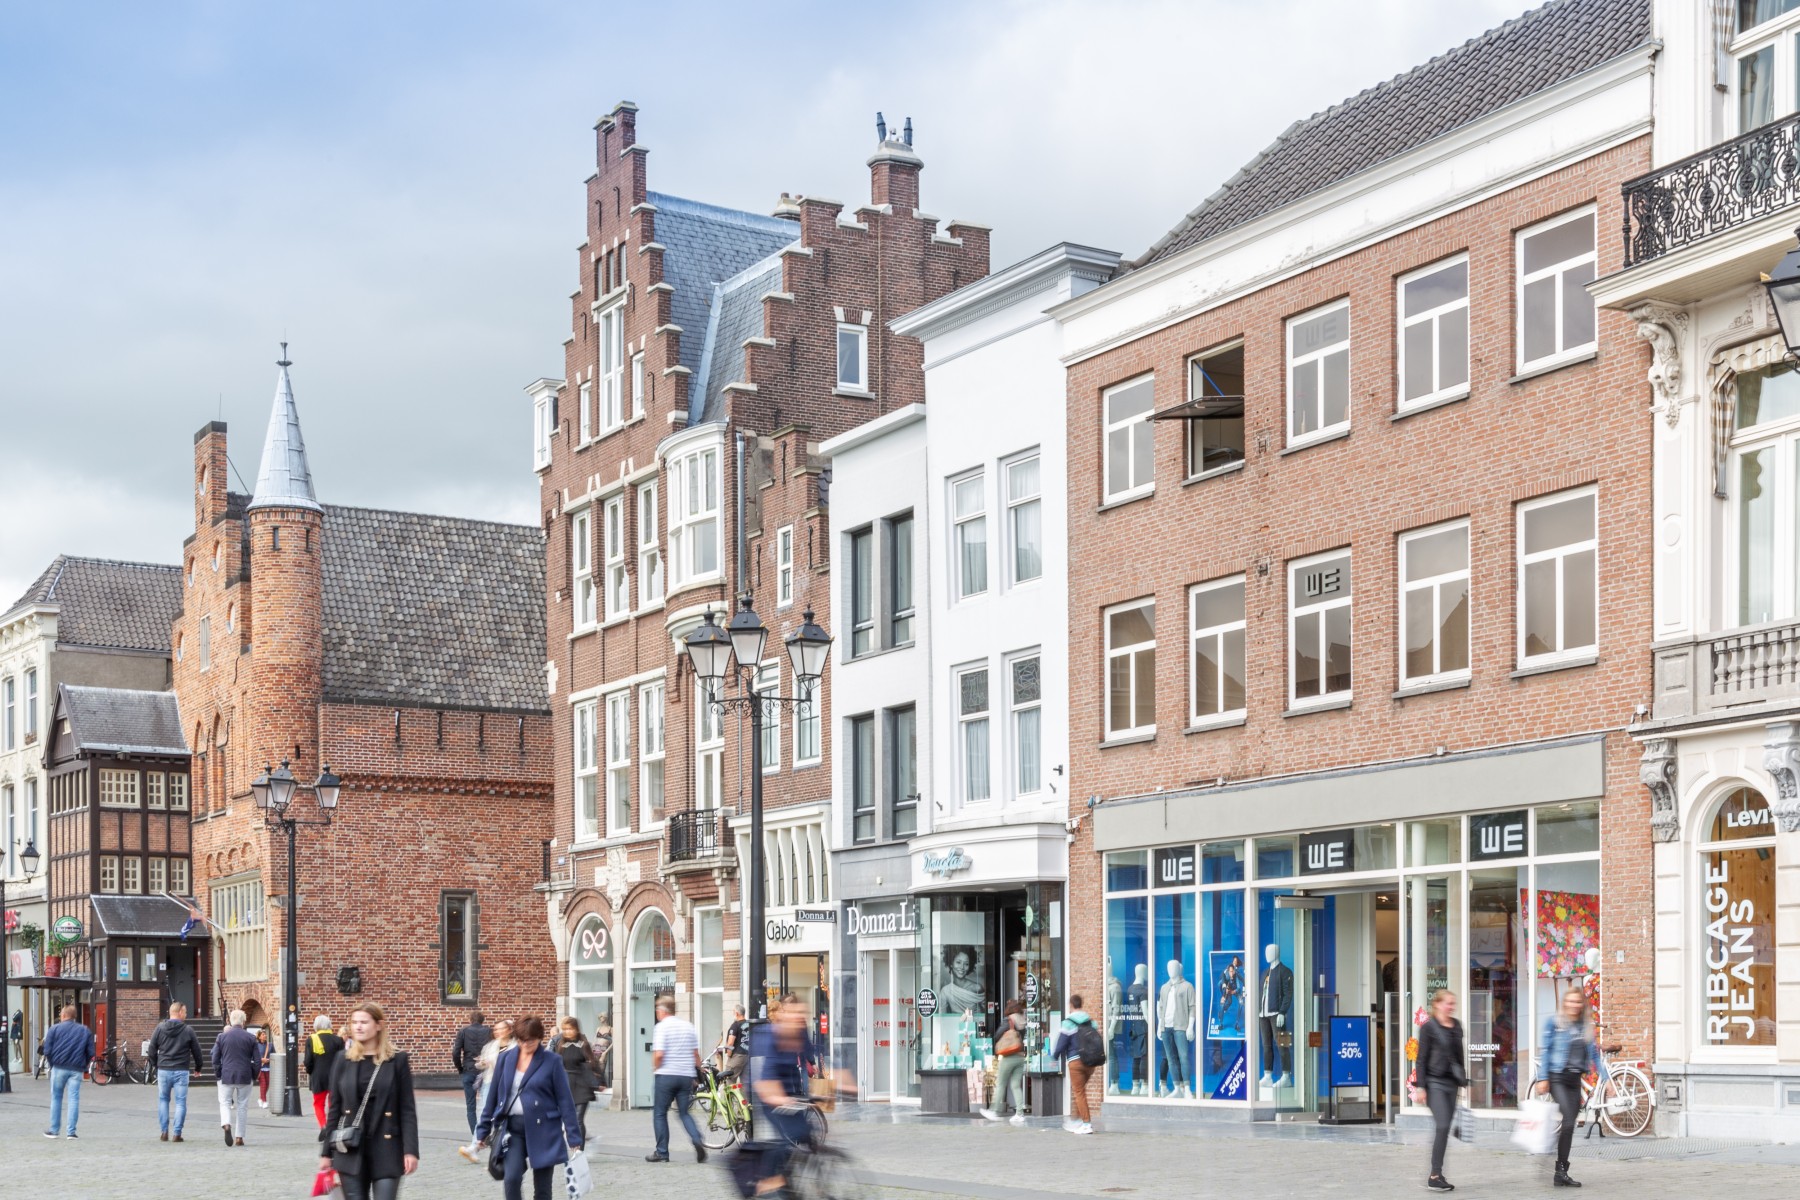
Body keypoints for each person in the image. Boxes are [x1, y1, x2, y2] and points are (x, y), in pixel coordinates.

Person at [473, 1015, 583, 1200]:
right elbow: (493, 1097)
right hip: (513, 1131)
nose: (525, 1045)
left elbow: (565, 1100)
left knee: (542, 1189)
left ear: (539, 1038)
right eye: (521, 1040)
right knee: (511, 1178)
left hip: (544, 1130)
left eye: (530, 1040)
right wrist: (482, 1130)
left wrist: (573, 1135)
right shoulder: (506, 1058)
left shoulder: (552, 1061)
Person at [319, 1001, 419, 1200]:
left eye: (364, 1022)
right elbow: (335, 1109)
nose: (358, 1027)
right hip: (350, 1148)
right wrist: (326, 1153)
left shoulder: (397, 1060)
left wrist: (410, 1151)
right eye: (354, 1022)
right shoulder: (342, 1059)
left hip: (387, 1148)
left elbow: (407, 1109)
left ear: (378, 1025)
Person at [1535, 985, 1609, 1189]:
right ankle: (1557, 1164)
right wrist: (1543, 1078)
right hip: (1557, 1077)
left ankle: (1561, 1173)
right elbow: (1546, 1050)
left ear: (1581, 1004)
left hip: (1575, 1079)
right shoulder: (1554, 1022)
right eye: (1570, 1001)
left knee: (1570, 1124)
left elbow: (1594, 1054)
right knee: (1568, 1121)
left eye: (1577, 1002)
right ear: (1564, 1003)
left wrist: (1607, 1079)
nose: (1574, 1005)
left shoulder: (1585, 1026)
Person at [748, 994, 815, 1196]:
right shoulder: (773, 1036)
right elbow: (766, 1080)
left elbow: (810, 1054)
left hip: (790, 1089)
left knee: (807, 1135)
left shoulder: (800, 1032)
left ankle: (786, 1182)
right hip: (769, 1092)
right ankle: (767, 1183)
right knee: (787, 1141)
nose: (798, 1018)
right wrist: (781, 1100)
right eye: (793, 1013)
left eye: (802, 1014)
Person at [1411, 988, 1467, 1193]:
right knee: (1443, 1125)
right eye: (1448, 1003)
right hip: (1434, 1083)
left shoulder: (1457, 1026)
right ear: (1437, 1004)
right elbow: (1421, 1059)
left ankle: (1438, 1174)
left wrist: (1463, 1081)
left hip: (1452, 1083)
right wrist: (1421, 1087)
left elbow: (1459, 1056)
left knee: (1443, 1129)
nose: (1451, 1007)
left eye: (1453, 1003)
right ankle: (1434, 1175)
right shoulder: (1428, 1027)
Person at [645, 996, 707, 1164]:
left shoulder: (661, 1027)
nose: (657, 1013)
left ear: (662, 1011)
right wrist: (700, 1070)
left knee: (660, 1113)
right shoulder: (688, 1026)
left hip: (666, 1075)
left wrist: (655, 1068)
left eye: (657, 1010)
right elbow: (695, 1054)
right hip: (685, 1076)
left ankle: (662, 1152)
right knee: (684, 1113)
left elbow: (659, 1054)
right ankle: (697, 1139)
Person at [148, 1001, 204, 1142]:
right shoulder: (188, 1030)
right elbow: (197, 1051)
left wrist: (156, 1065)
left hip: (164, 1069)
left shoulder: (160, 1028)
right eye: (185, 1012)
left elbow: (152, 1049)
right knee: (180, 1102)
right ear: (179, 1012)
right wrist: (198, 1068)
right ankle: (177, 1134)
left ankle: (164, 1132)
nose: (186, 1014)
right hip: (181, 1070)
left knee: (163, 1100)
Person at [459, 1018, 513, 1164]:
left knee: (506, 1115)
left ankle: (503, 1147)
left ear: (509, 1030)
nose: (498, 1032)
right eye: (496, 1029)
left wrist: (493, 1063)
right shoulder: (490, 1046)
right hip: (490, 1082)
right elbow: (481, 1064)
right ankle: (475, 1146)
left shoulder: (515, 1047)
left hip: (508, 1084)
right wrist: (482, 1063)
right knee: (484, 1113)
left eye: (501, 1029)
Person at [37, 1004, 94, 1140]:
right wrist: (83, 1064)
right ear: (75, 1016)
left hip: (59, 1067)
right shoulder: (85, 1030)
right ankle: (71, 1132)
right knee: (74, 1099)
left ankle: (54, 1130)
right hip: (76, 1069)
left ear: (63, 1015)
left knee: (56, 1098)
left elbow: (47, 1051)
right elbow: (90, 1052)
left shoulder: (54, 1029)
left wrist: (52, 1064)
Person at [1052, 994, 1100, 1135]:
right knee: (1080, 1092)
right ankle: (1078, 1120)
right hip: (1090, 1062)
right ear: (1081, 1004)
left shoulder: (1068, 1023)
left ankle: (1086, 1124)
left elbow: (1061, 1043)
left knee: (1079, 1092)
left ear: (1071, 1005)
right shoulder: (1091, 1022)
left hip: (1076, 1062)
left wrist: (1055, 1056)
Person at [213, 1010, 259, 1148]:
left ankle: (226, 1124)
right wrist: (254, 1075)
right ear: (243, 1022)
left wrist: (218, 1073)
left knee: (225, 1102)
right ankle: (239, 1137)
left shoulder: (222, 1037)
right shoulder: (251, 1038)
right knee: (242, 1105)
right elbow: (257, 1061)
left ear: (230, 1021)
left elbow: (215, 1058)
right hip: (245, 1074)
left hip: (226, 1074)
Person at [981, 999, 1028, 1125]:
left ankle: (994, 1110)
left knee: (1001, 1083)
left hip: (1009, 1056)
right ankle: (1020, 1114)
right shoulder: (1022, 1020)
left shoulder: (1009, 1020)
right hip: (1020, 1056)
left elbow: (997, 1035)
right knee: (1016, 1085)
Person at [452, 1012, 494, 1138]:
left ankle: (476, 1135)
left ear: (470, 1020)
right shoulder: (489, 1031)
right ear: (482, 1020)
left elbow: (455, 1053)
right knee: (486, 1104)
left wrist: (460, 1068)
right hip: (485, 1071)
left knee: (471, 1106)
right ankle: (485, 1133)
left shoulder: (463, 1031)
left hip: (469, 1069)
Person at [556, 1017, 598, 1139]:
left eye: (570, 1029)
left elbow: (593, 1063)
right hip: (566, 1085)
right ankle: (572, 1144)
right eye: (564, 1029)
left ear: (576, 1029)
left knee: (578, 1119)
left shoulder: (584, 1045)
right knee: (569, 1119)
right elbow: (556, 1065)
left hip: (582, 1085)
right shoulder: (561, 1045)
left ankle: (579, 1148)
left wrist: (600, 1081)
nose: (567, 1032)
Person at [305, 1015, 345, 1129]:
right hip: (335, 1077)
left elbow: (308, 1061)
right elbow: (342, 1060)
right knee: (333, 1104)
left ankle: (323, 1126)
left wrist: (310, 1072)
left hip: (318, 1076)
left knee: (318, 1103)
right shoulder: (338, 1040)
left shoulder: (311, 1039)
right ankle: (333, 1127)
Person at [939, 946, 985, 1015]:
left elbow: (986, 1015)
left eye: (966, 964)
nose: (962, 967)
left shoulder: (977, 988)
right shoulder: (945, 991)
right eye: (958, 962)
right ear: (951, 964)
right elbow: (942, 1017)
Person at [720, 1003, 750, 1077]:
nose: (733, 1014)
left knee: (729, 1079)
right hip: (748, 1056)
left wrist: (729, 1054)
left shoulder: (735, 1025)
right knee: (745, 1081)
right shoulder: (750, 1024)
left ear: (737, 1013)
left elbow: (730, 1043)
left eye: (733, 1012)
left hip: (737, 1056)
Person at [254, 1027, 272, 1108]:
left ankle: (260, 1098)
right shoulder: (256, 1046)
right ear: (259, 1037)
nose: (265, 1036)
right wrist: (261, 1059)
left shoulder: (270, 1045)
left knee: (267, 1084)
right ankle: (264, 1101)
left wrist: (269, 1060)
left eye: (265, 1034)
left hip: (268, 1067)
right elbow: (253, 1057)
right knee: (263, 1084)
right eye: (263, 1034)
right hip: (259, 1067)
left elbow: (274, 1054)